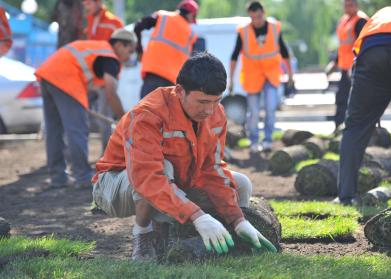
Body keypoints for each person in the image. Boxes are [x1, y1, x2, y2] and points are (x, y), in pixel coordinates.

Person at [92, 52, 277, 261]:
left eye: (216, 101)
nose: (209, 110)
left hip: (174, 180)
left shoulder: (216, 114)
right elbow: (147, 177)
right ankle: (142, 234)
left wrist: (237, 220)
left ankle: (221, 236)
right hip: (116, 186)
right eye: (202, 102)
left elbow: (211, 169)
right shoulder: (148, 115)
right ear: (180, 91)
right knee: (162, 168)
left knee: (241, 184)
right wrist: (197, 216)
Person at [336, 0, 391, 205]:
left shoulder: (384, 13)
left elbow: (357, 51)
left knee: (355, 127)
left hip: (371, 58)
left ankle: (345, 196)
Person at [35, 29, 136, 189]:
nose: (129, 56)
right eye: (129, 50)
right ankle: (82, 176)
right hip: (65, 79)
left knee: (54, 130)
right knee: (77, 130)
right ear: (118, 44)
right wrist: (124, 119)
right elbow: (111, 93)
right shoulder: (110, 57)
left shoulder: (97, 49)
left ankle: (58, 177)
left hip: (48, 75)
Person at [229, 1, 294, 153]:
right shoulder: (243, 31)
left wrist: (290, 74)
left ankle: (268, 140)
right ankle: (253, 142)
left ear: (263, 13)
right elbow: (234, 56)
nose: (256, 21)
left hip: (271, 75)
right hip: (252, 77)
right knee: (254, 111)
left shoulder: (274, 28)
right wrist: (231, 79)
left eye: (258, 17)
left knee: (271, 108)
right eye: (253, 18)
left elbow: (284, 52)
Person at [133, 0, 199, 99]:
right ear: (190, 15)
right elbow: (192, 63)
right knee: (165, 114)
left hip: (152, 73)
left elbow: (138, 26)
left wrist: (139, 50)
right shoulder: (192, 35)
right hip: (172, 82)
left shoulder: (163, 17)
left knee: (144, 112)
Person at [82, 0, 125, 151]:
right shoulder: (89, 20)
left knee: (104, 120)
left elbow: (121, 49)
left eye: (89, 3)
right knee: (81, 116)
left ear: (98, 2)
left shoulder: (114, 23)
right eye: (85, 4)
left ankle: (107, 154)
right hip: (89, 77)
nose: (86, 6)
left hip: (105, 77)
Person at [326, 0, 368, 133]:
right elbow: (343, 46)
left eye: (350, 4)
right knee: (341, 98)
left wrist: (357, 64)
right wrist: (335, 63)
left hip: (357, 68)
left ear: (357, 5)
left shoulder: (360, 21)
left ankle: (360, 129)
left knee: (359, 99)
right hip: (345, 68)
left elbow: (363, 45)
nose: (347, 7)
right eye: (345, 4)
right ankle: (339, 127)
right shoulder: (344, 21)